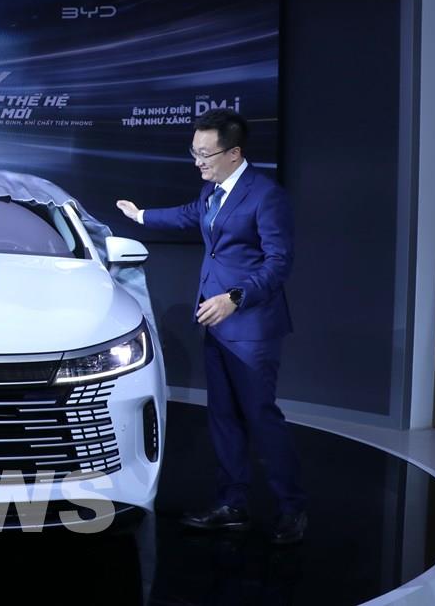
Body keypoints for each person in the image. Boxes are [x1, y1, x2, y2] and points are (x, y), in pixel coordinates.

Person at [116, 109, 307, 544]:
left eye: (205, 154)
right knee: (222, 418)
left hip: (251, 326)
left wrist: (235, 297)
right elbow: (187, 215)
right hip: (214, 323)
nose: (197, 161)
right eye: (194, 152)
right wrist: (141, 216)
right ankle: (232, 504)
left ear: (234, 153)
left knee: (260, 418)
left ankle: (292, 507)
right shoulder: (211, 192)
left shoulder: (266, 196)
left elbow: (279, 263)